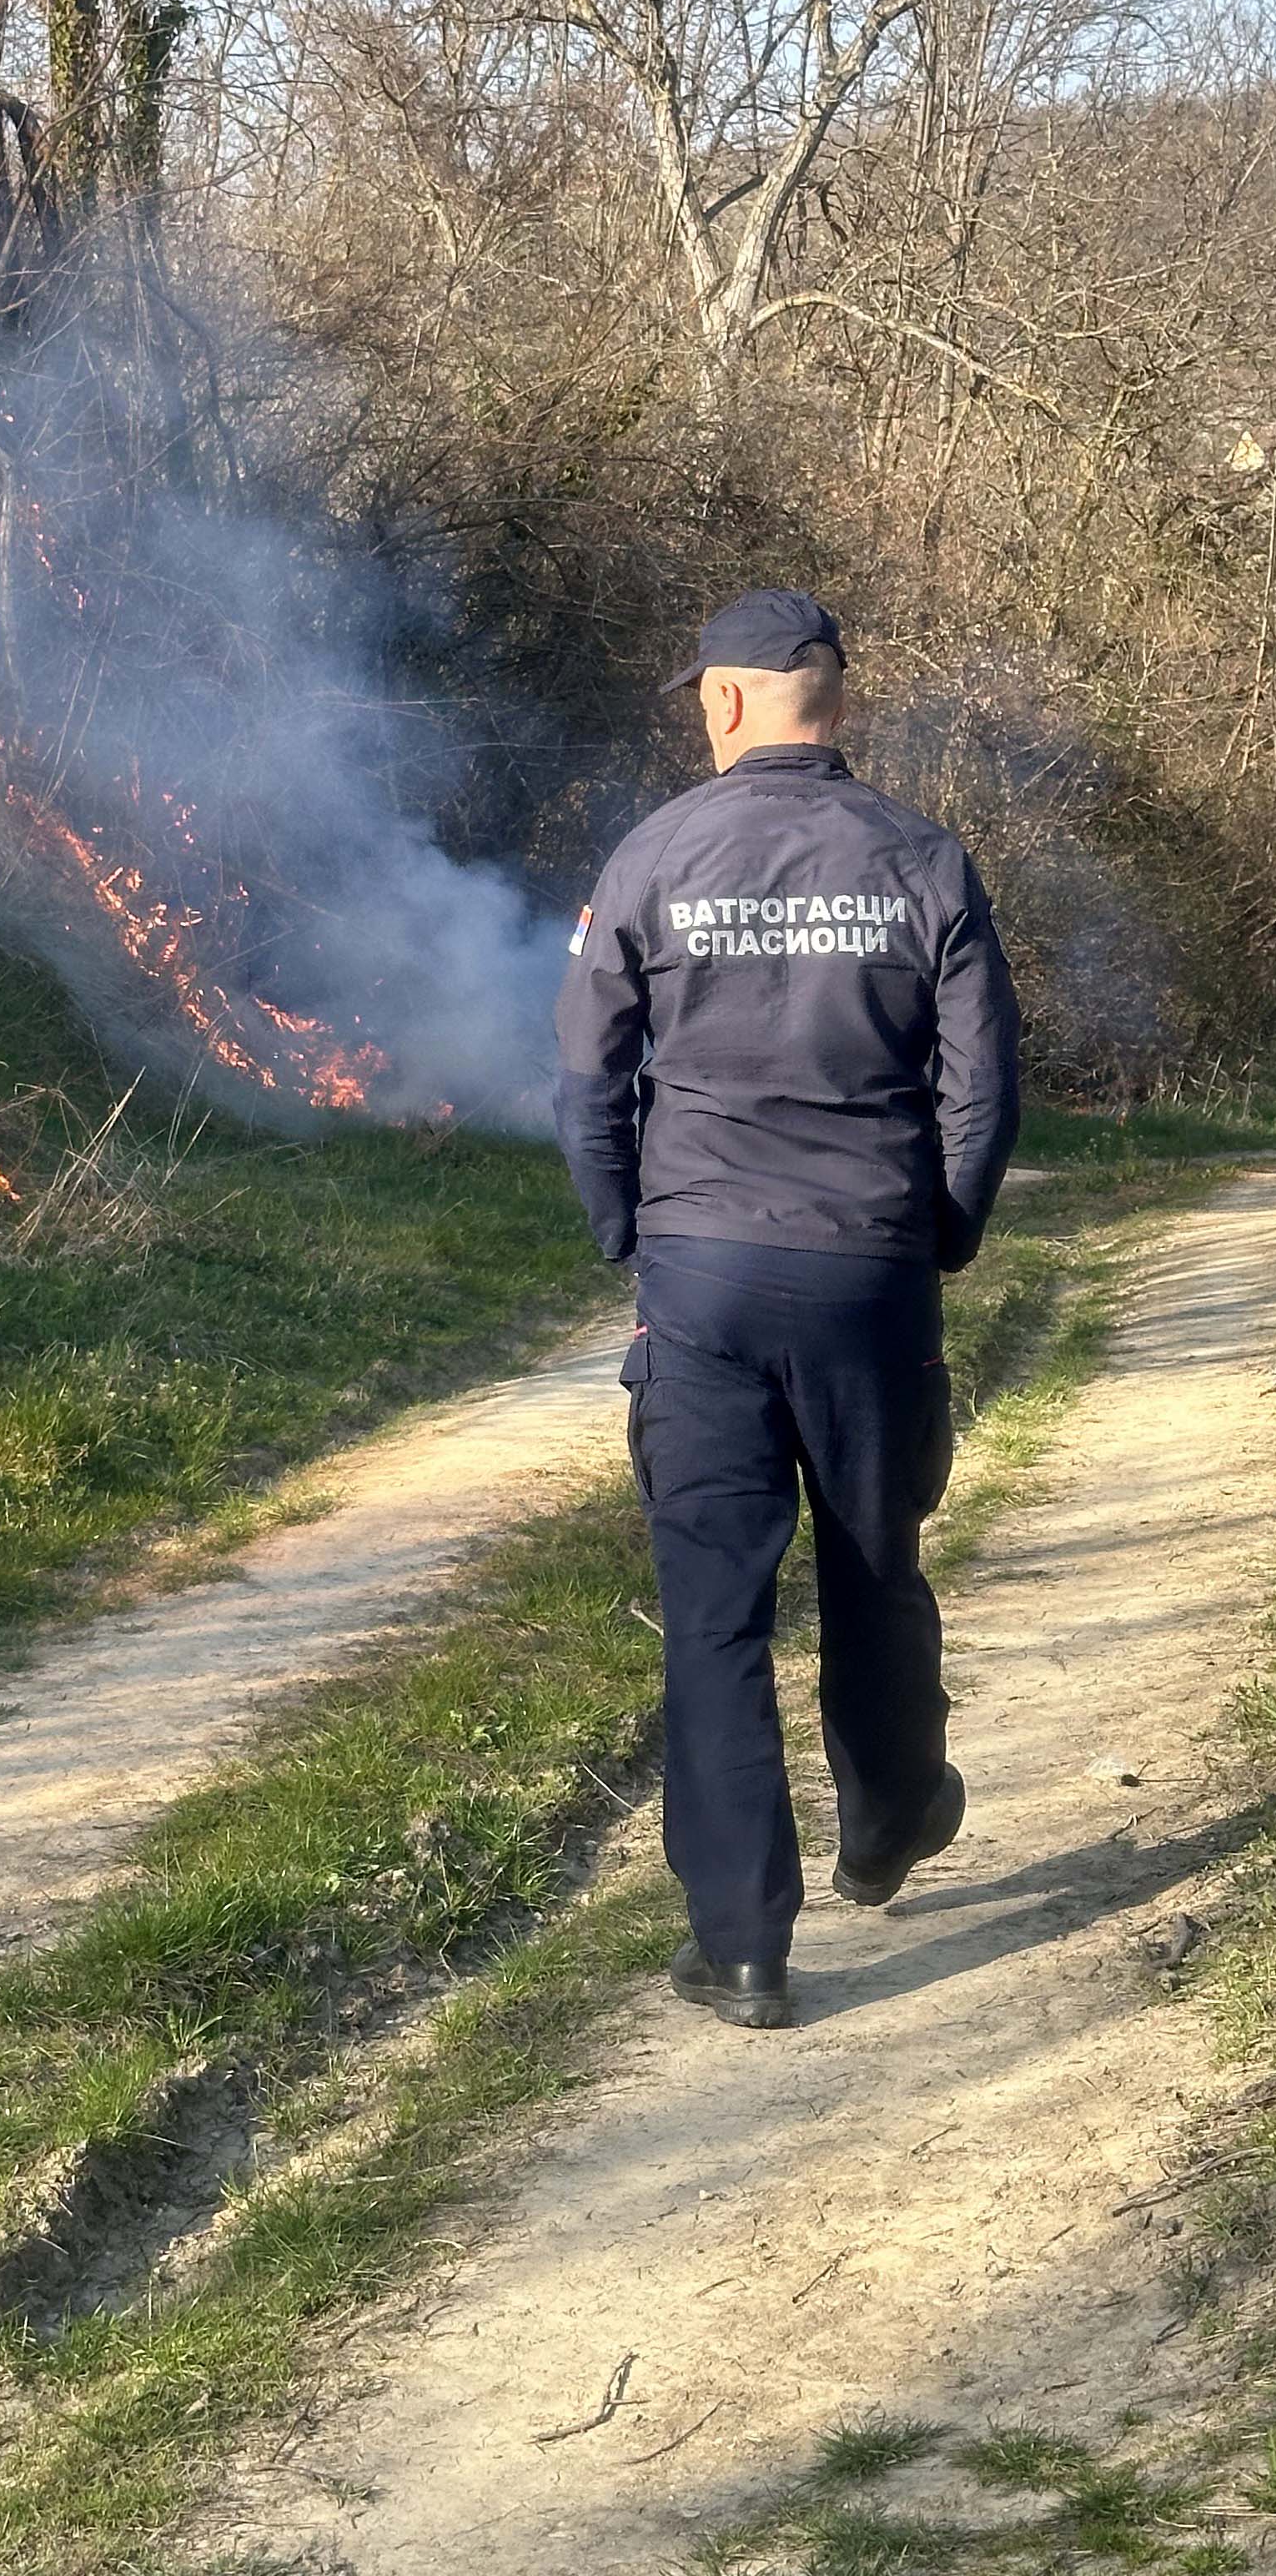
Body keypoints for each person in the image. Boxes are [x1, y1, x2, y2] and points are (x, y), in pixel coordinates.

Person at [553, 587, 1019, 2030]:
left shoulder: (652, 857)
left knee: (714, 1614)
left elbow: (587, 1081)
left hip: (700, 1284)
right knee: (875, 1564)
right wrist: (935, 1237)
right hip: (868, 1272)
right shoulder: (923, 860)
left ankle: (745, 1946)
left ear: (726, 698)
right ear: (837, 699)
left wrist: (629, 1231)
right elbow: (983, 1089)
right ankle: (888, 1821)